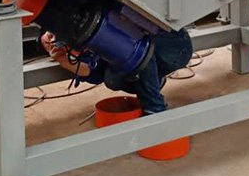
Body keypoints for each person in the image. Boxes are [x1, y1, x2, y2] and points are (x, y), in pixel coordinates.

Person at [40, 26, 193, 115]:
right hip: (148, 48)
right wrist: (63, 60)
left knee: (132, 50)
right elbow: (96, 73)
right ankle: (153, 81)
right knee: (113, 78)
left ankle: (154, 109)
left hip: (174, 46)